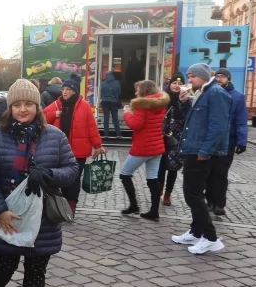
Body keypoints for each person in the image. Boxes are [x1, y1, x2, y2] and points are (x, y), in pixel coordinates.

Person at [0, 79, 79, 287]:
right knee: (5, 263)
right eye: (17, 105)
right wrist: (0, 210)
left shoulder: (54, 136)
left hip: (42, 220)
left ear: (38, 106)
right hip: (8, 215)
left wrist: (48, 174)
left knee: (36, 270)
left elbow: (72, 170)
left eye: (29, 104)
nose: (23, 110)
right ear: (9, 108)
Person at [171, 63, 231, 254]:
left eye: (192, 76)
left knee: (193, 194)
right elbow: (192, 120)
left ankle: (211, 237)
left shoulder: (215, 93)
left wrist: (205, 151)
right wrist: (184, 101)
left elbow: (218, 126)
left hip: (202, 152)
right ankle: (196, 231)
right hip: (194, 148)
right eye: (189, 76)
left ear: (203, 76)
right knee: (192, 193)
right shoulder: (202, 93)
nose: (189, 80)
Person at [44, 77, 105, 212]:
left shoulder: (84, 106)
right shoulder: (57, 104)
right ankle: (64, 203)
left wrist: (98, 145)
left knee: (74, 178)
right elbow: (42, 118)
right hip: (60, 149)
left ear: (75, 91)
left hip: (79, 150)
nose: (65, 92)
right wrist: (55, 114)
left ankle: (72, 204)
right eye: (63, 89)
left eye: (68, 89)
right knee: (63, 178)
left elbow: (91, 127)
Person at [120, 80, 169, 221]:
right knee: (153, 178)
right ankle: (154, 211)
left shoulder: (142, 105)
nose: (136, 92)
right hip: (157, 146)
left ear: (144, 91)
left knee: (125, 175)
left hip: (143, 146)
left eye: (137, 90)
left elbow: (136, 125)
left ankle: (134, 206)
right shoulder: (160, 104)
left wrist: (127, 113)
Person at [205, 68, 248, 216]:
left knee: (221, 173)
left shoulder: (237, 97)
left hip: (228, 140)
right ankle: (209, 200)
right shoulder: (210, 93)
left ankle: (219, 204)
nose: (219, 78)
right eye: (217, 76)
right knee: (208, 172)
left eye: (222, 76)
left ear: (228, 79)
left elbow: (241, 120)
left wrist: (242, 141)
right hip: (210, 140)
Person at [158, 73, 186, 207]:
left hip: (177, 138)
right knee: (161, 166)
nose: (177, 86)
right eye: (175, 83)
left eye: (180, 84)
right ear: (170, 85)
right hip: (161, 136)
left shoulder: (186, 100)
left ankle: (168, 194)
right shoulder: (163, 98)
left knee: (173, 167)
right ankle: (158, 191)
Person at [100, 71, 122, 137]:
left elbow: (102, 92)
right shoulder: (117, 83)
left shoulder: (103, 83)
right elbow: (119, 92)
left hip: (105, 102)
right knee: (115, 118)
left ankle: (106, 134)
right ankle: (118, 134)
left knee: (106, 118)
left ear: (106, 76)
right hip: (113, 102)